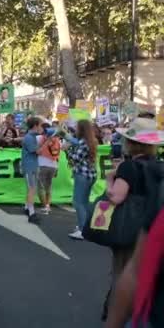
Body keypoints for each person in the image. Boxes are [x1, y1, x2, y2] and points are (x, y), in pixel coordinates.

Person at [100, 118, 162, 322]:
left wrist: (110, 179)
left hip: (128, 228)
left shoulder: (128, 167)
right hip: (151, 228)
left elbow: (116, 197)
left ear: (130, 142)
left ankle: (117, 313)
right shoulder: (158, 167)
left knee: (123, 271)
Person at [66, 119, 98, 240]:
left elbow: (75, 158)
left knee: (78, 202)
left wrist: (67, 149)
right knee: (84, 202)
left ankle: (82, 229)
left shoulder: (84, 142)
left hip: (82, 175)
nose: (76, 129)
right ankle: (84, 226)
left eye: (78, 127)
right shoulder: (92, 141)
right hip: (90, 174)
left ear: (82, 129)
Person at [21, 116, 44, 224]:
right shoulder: (30, 137)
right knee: (32, 189)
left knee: (31, 189)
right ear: (35, 126)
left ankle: (27, 208)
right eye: (40, 125)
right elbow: (37, 151)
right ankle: (31, 213)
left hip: (32, 166)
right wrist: (48, 141)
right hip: (29, 167)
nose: (42, 128)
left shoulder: (32, 136)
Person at [36, 123, 61, 214]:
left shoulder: (40, 138)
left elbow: (37, 151)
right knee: (48, 187)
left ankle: (44, 206)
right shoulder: (57, 140)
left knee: (41, 187)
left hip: (42, 165)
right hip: (53, 165)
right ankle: (48, 206)